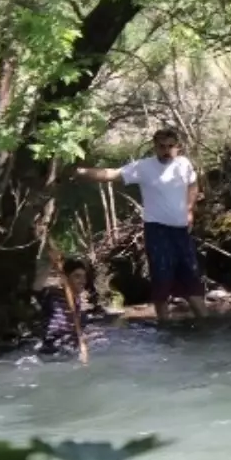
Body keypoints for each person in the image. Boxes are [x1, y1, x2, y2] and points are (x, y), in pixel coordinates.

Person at [74, 128, 207, 322]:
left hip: (181, 231)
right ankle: (165, 325)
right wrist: (79, 171)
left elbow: (193, 185)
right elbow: (111, 174)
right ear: (155, 147)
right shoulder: (144, 167)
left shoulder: (184, 164)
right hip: (157, 229)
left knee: (191, 277)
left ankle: (205, 324)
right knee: (162, 277)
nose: (166, 150)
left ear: (178, 147)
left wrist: (189, 209)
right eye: (162, 146)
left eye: (171, 146)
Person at [32, 257, 105, 355]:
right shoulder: (52, 295)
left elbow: (80, 328)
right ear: (66, 278)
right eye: (77, 276)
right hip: (53, 344)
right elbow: (36, 288)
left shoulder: (77, 302)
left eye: (84, 277)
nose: (83, 281)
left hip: (68, 344)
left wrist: (89, 334)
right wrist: (49, 260)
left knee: (100, 339)